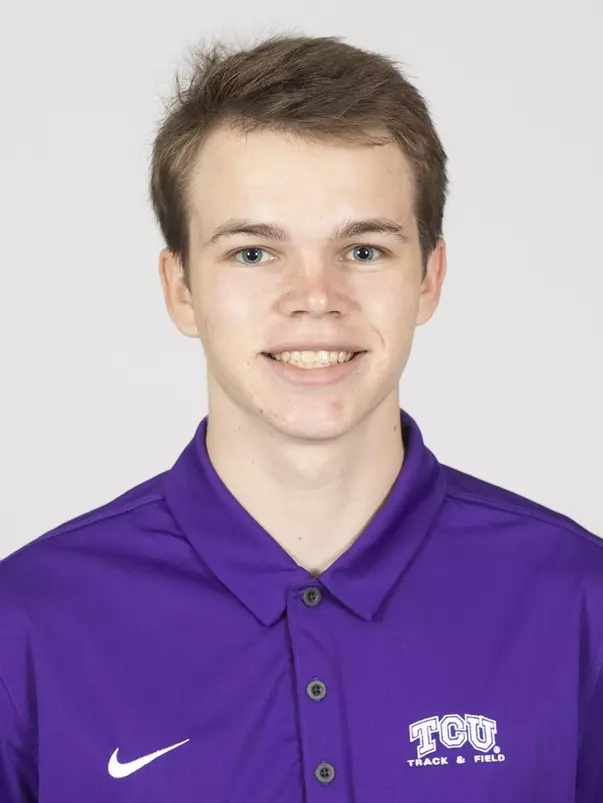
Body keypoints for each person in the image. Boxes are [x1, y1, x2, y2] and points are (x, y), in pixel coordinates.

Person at [0, 32, 601, 803]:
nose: (315, 297)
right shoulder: (26, 626)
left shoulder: (578, 601)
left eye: (363, 250)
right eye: (254, 252)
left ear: (428, 277)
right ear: (180, 288)